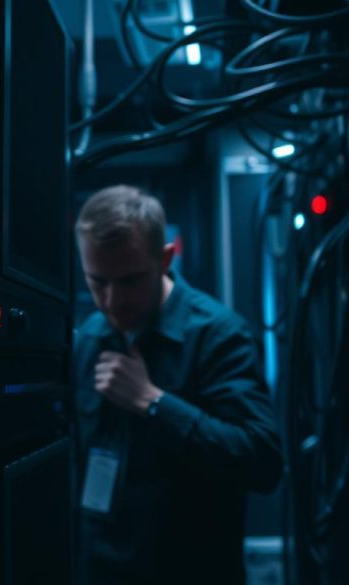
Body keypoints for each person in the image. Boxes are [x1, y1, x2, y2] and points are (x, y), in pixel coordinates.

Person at [73, 185, 283, 584]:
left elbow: (263, 462)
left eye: (131, 281)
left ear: (166, 259)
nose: (113, 300)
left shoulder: (219, 336)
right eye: (98, 281)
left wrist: (153, 403)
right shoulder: (90, 337)